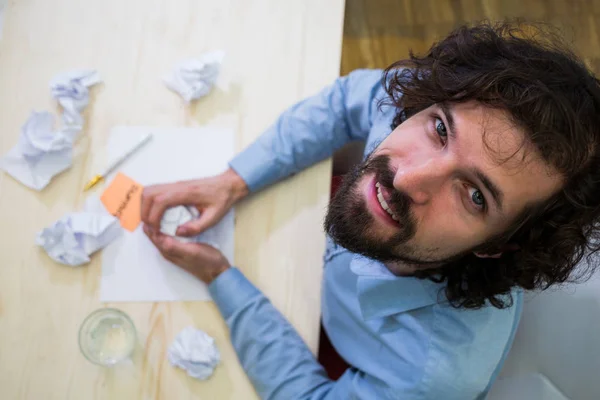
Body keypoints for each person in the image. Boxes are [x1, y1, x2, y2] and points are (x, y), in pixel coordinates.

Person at [140, 22, 600, 399]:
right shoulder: (423, 109)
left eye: (474, 195)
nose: (406, 178)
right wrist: (233, 180)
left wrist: (220, 277)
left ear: (500, 245)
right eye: (440, 130)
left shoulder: (430, 375)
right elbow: (346, 101)